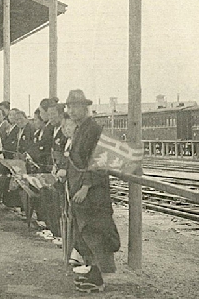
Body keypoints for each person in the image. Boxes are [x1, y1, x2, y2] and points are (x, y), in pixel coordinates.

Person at [64, 89, 120, 293]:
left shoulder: (93, 128)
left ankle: (98, 277)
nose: (71, 110)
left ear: (84, 107)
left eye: (75, 106)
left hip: (92, 192)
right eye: (69, 107)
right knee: (84, 232)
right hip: (79, 189)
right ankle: (92, 270)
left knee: (96, 231)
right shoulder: (80, 129)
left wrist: (86, 186)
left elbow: (97, 161)